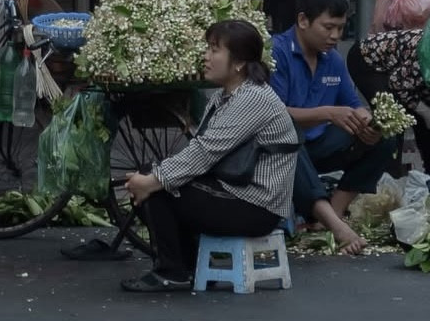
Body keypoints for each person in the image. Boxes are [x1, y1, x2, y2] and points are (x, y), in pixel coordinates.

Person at [119, 20, 298, 293]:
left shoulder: (253, 98)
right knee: (153, 178)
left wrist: (153, 181)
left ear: (238, 63)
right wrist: (153, 175)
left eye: (214, 50)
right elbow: (200, 149)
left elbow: (204, 153)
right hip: (234, 192)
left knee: (158, 190)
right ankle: (187, 266)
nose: (206, 56)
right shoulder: (224, 96)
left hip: (257, 206)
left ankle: (172, 271)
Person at [271, 0, 399, 255]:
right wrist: (329, 113)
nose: (335, 36)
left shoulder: (333, 60)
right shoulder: (277, 53)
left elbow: (352, 105)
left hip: (319, 146)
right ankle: (333, 222)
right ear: (303, 20)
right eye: (328, 27)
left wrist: (367, 121)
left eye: (341, 29)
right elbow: (272, 114)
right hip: (280, 152)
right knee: (287, 133)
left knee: (387, 135)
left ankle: (332, 213)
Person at [347, 15, 430, 172]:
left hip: (398, 67)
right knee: (393, 117)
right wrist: (426, 112)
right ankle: (384, 172)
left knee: (424, 116)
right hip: (366, 60)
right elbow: (398, 83)